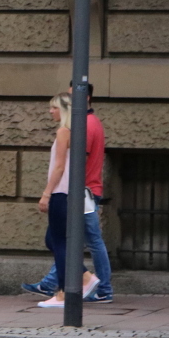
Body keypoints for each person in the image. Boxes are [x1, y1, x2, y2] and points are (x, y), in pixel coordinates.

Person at [23, 85, 112, 303]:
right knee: (61, 240)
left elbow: (67, 164)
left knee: (81, 240)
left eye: (73, 96)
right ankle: (58, 283)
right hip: (81, 190)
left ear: (86, 98)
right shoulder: (86, 124)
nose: (50, 111)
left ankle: (96, 286)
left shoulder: (83, 126)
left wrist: (47, 193)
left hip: (82, 191)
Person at [35, 93, 99, 308]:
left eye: (53, 107)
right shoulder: (77, 132)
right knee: (54, 241)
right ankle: (84, 277)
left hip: (62, 193)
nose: (50, 111)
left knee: (60, 243)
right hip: (71, 193)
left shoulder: (63, 132)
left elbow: (60, 166)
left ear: (64, 110)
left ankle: (64, 292)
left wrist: (46, 193)